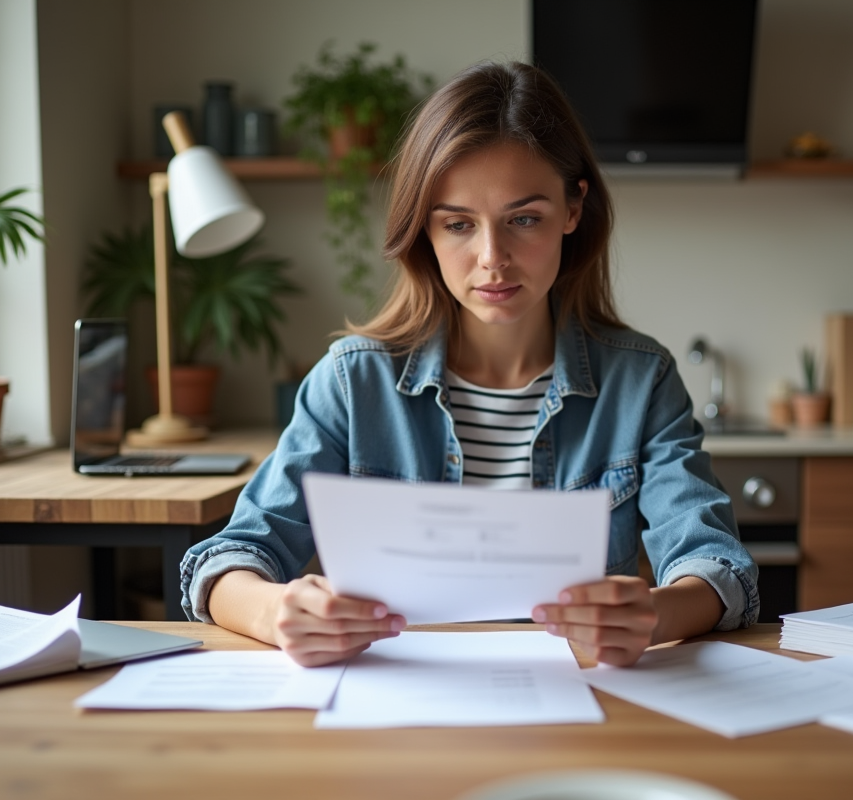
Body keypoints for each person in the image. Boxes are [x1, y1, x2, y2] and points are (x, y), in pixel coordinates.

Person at [180, 61, 758, 668]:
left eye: (524, 219)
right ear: (424, 231)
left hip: (581, 706)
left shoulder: (641, 380)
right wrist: (276, 611)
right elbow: (231, 559)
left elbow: (716, 566)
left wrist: (653, 615)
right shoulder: (353, 382)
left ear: (573, 209)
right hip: (394, 708)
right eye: (458, 224)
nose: (492, 259)